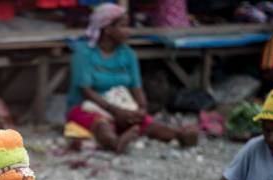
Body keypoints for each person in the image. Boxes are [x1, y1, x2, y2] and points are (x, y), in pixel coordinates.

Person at [65, 3, 198, 152]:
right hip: (87, 107)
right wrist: (115, 111)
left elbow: (136, 87)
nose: (128, 31)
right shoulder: (84, 53)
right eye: (123, 26)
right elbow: (86, 91)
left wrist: (141, 109)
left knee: (147, 124)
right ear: (108, 29)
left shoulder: (128, 54)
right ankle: (114, 143)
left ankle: (180, 136)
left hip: (122, 107)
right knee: (102, 124)